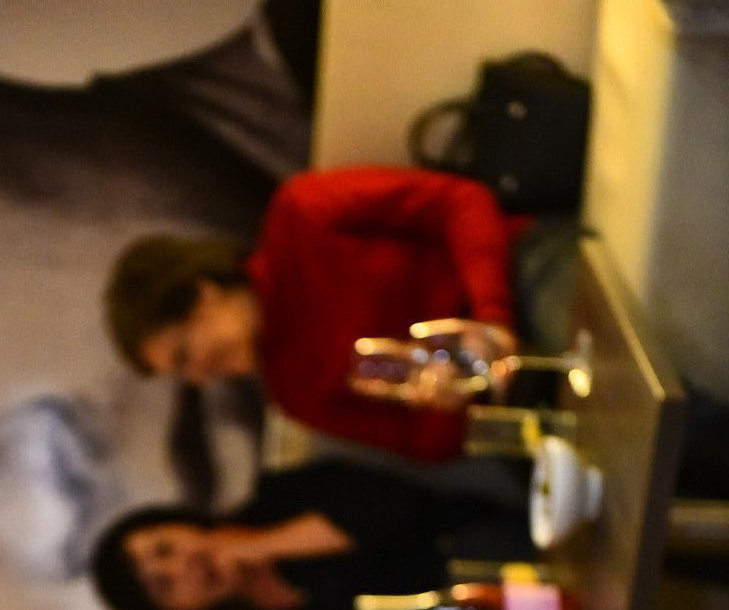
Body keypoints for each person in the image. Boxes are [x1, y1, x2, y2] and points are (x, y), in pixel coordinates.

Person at [105, 165, 541, 464]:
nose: (199, 378)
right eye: (183, 376)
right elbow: (426, 446)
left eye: (184, 355)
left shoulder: (301, 213)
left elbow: (460, 203)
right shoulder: (292, 393)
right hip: (506, 394)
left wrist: (491, 316)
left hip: (520, 278)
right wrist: (442, 404)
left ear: (201, 293)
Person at [91, 457, 534, 610]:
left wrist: (263, 546)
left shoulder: (278, 497)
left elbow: (401, 508)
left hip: (468, 553)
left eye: (165, 549)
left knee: (485, 558)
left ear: (177, 522)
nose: (183, 568)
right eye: (165, 587)